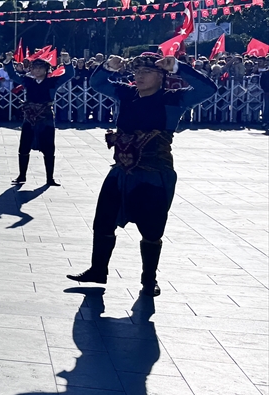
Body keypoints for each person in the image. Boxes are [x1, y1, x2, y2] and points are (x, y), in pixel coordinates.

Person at [68, 52, 217, 297]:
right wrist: (108, 66)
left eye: (147, 72)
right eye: (137, 71)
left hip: (154, 173)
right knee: (103, 220)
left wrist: (178, 67)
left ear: (161, 76)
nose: (139, 76)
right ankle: (98, 270)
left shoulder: (174, 99)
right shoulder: (126, 94)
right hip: (121, 171)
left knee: (151, 229)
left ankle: (149, 280)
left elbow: (207, 89)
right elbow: (97, 83)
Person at [5, 52, 76, 186]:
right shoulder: (28, 81)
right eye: (35, 68)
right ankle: (22, 175)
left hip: (46, 116)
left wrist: (67, 62)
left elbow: (69, 75)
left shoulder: (52, 82)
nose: (37, 70)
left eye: (40, 68)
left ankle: (50, 178)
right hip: (30, 116)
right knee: (24, 146)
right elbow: (13, 75)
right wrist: (8, 62)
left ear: (46, 70)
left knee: (49, 147)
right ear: (31, 70)